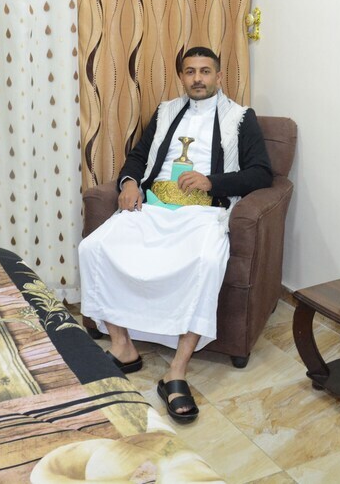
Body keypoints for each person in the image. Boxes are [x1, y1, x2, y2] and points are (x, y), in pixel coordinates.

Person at [78, 46, 273, 423]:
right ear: (181, 77)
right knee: (94, 248)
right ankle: (122, 346)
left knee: (207, 261)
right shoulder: (166, 111)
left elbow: (261, 173)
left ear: (219, 76)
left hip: (202, 211)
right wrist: (129, 182)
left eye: (205, 71)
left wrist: (212, 181)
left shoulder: (240, 118)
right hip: (151, 206)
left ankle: (176, 372)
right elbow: (139, 156)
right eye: (190, 71)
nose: (197, 78)